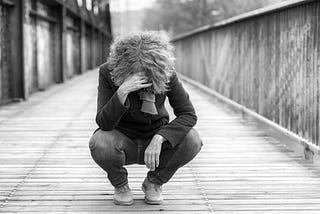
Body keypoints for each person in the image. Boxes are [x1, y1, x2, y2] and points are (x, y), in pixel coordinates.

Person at [89, 31, 202, 206]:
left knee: (192, 139)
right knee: (100, 142)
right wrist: (123, 91)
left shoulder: (164, 71)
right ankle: (120, 185)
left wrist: (160, 137)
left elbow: (188, 114)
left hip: (156, 141)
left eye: (148, 70)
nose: (143, 74)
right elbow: (104, 123)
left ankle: (154, 183)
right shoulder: (108, 71)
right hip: (122, 140)